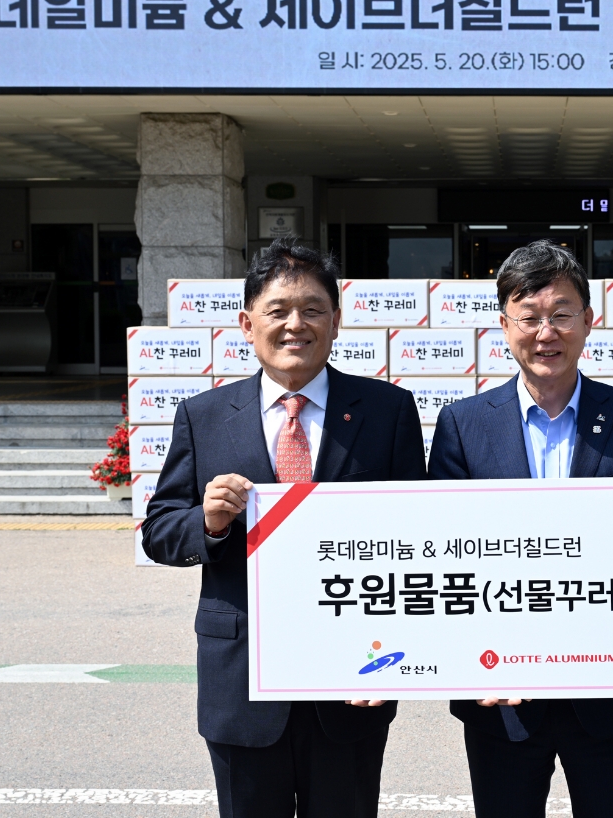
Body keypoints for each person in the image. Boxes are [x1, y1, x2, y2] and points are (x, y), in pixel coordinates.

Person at [142, 237, 427, 818]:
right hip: (241, 680)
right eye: (278, 311)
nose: (296, 324)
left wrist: (399, 656)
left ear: (336, 321)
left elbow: (419, 540)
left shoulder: (387, 411)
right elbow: (159, 531)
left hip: (352, 677)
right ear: (248, 325)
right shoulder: (204, 416)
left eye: (313, 309)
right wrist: (209, 522)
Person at [428, 239, 613, 818]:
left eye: (561, 315)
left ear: (588, 320)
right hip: (501, 692)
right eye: (529, 317)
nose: (546, 333)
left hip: (610, 688)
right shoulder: (462, 424)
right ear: (503, 325)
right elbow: (441, 554)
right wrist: (464, 661)